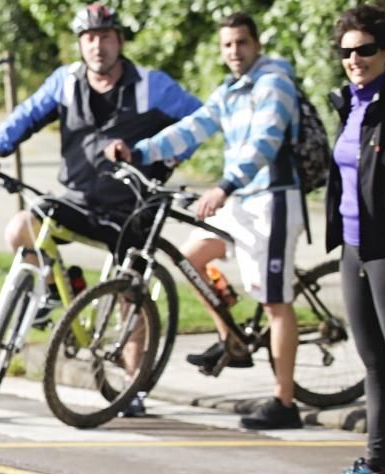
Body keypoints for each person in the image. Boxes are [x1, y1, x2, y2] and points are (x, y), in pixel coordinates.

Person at [0, 3, 202, 417]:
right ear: (81, 43)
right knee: (20, 229)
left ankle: (132, 390)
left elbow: (201, 120)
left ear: (120, 42)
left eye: (106, 37)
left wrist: (164, 161)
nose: (98, 46)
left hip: (132, 208)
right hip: (77, 198)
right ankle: (53, 292)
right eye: (90, 38)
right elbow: (26, 115)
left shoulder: (152, 85)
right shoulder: (65, 81)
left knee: (131, 294)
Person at [106, 12, 306, 430]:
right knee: (191, 260)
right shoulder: (230, 90)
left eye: (242, 43)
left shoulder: (275, 82)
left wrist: (225, 186)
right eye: (228, 45)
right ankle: (231, 339)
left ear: (256, 45)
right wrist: (139, 152)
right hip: (239, 199)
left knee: (274, 302)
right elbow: (193, 128)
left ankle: (285, 402)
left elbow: (265, 141)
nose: (235, 52)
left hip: (271, 199)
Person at [316, 5, 385, 474]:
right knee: (372, 358)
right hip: (353, 243)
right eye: (347, 51)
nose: (355, 58)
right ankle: (377, 465)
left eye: (365, 49)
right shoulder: (351, 103)